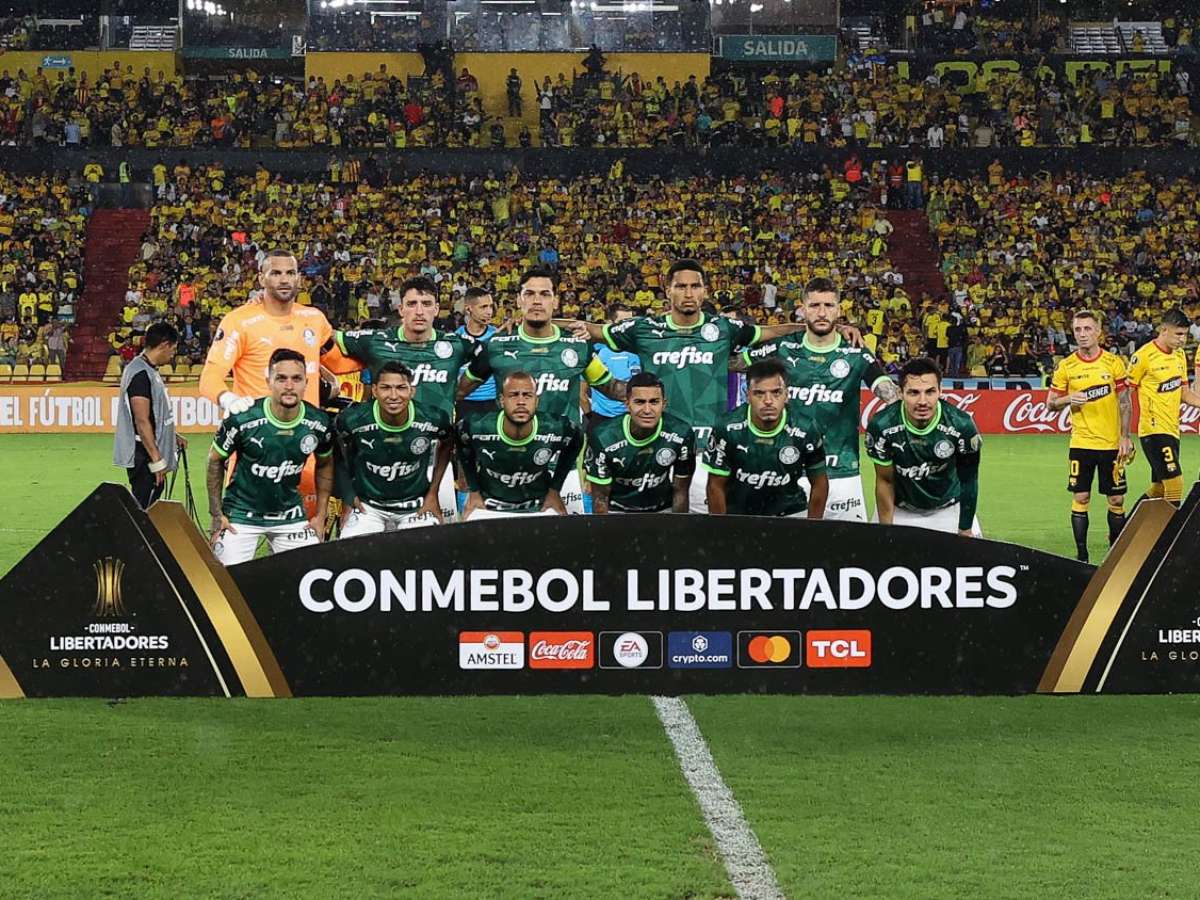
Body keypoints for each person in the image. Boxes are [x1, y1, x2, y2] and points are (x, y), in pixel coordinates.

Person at [564, 259, 821, 513]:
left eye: (695, 286)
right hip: (665, 454)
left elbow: (771, 332)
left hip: (714, 452)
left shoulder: (723, 328)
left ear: (705, 290)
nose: (689, 293)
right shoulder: (644, 329)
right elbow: (589, 330)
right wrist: (533, 326)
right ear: (668, 291)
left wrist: (829, 329)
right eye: (681, 286)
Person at [458, 267, 626, 514]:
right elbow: (459, 391)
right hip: (504, 468)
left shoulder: (577, 347)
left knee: (563, 548)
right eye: (529, 294)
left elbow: (612, 389)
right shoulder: (497, 346)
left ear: (555, 300)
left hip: (561, 468)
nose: (537, 300)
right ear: (518, 300)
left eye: (545, 294)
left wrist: (657, 386)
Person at [744, 277, 898, 521]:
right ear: (802, 308)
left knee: (848, 557)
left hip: (842, 474)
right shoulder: (782, 347)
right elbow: (730, 362)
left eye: (829, 305)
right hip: (789, 471)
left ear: (839, 309)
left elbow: (888, 391)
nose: (822, 312)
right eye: (814, 306)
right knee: (787, 555)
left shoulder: (855, 351)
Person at [199, 249, 338, 513]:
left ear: (299, 278)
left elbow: (339, 360)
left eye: (290, 273)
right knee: (238, 533)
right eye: (276, 273)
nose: (284, 279)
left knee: (304, 537)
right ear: (261, 278)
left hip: (305, 440)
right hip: (255, 442)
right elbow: (210, 377)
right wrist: (228, 398)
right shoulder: (240, 321)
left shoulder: (313, 319)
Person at [207, 349, 335, 566]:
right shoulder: (243, 419)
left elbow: (325, 463)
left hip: (290, 515)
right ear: (268, 381)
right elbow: (214, 460)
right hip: (241, 515)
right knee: (226, 584)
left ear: (306, 382)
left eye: (296, 379)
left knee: (311, 577)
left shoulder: (319, 422)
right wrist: (216, 513)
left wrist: (321, 514)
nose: (289, 386)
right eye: (281, 378)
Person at [1046, 310, 1134, 562]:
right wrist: (1067, 399)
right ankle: (1082, 556)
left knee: (1116, 498)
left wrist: (1125, 437)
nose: (1082, 334)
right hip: (1082, 442)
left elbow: (1125, 402)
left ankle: (1115, 554)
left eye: (1087, 329)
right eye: (1078, 330)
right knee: (1081, 496)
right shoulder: (1066, 366)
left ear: (1098, 332)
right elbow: (1050, 404)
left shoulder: (1114, 363)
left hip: (1110, 443)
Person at [867, 357, 982, 536]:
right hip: (900, 510)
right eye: (913, 392)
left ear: (940, 391)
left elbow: (969, 481)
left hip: (950, 509)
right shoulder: (882, 425)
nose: (922, 401)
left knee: (972, 560)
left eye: (930, 392)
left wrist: (965, 528)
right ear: (900, 393)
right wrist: (886, 531)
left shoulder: (962, 425)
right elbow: (885, 480)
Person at [335, 362, 452, 537]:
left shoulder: (433, 418)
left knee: (427, 552)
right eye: (386, 388)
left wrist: (433, 493)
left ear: (411, 391)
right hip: (368, 506)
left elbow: (448, 442)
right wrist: (348, 495)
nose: (393, 395)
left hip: (415, 505)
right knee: (351, 553)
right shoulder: (353, 419)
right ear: (374, 391)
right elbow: (334, 451)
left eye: (401, 388)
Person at [703, 358, 828, 519]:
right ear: (747, 395)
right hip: (739, 516)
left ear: (787, 395)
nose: (768, 401)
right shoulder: (726, 428)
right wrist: (721, 528)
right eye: (759, 393)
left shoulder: (806, 429)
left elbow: (819, 483)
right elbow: (715, 485)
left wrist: (812, 527)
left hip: (791, 514)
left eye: (776, 392)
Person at [456, 371, 582, 521]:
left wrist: (555, 489)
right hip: (489, 506)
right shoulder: (476, 426)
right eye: (514, 395)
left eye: (527, 395)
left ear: (536, 401)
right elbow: (461, 444)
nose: (521, 402)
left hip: (538, 506)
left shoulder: (557, 427)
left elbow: (576, 442)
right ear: (502, 400)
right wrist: (474, 490)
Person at [585, 372, 695, 514]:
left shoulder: (681, 433)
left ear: (664, 404)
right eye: (640, 402)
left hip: (663, 510)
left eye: (654, 402)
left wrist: (678, 531)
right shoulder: (603, 437)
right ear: (627, 404)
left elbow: (681, 492)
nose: (647, 410)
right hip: (618, 512)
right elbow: (600, 498)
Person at [1129, 308, 1200, 507]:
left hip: (1172, 430)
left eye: (1185, 335)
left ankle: (1124, 532)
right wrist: (1122, 435)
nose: (1182, 340)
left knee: (1158, 489)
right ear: (1164, 330)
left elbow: (1184, 393)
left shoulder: (1179, 357)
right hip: (1153, 430)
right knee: (1175, 484)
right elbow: (1125, 396)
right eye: (1178, 334)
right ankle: (1171, 538)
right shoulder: (1144, 356)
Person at [113, 321, 186, 509]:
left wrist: (172, 435)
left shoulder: (148, 370)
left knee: (150, 502)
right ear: (164, 345)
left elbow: (153, 414)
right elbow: (141, 420)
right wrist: (156, 459)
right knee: (144, 506)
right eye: (173, 349)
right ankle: (133, 539)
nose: (173, 355)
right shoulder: (140, 374)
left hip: (147, 450)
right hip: (144, 454)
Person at [589, 302, 641, 430]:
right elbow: (582, 392)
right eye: (622, 323)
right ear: (609, 324)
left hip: (633, 418)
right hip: (603, 419)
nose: (627, 328)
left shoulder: (640, 350)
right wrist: (590, 418)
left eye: (630, 322)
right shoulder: (596, 353)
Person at [454, 287, 498, 421]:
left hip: (492, 402)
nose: (489, 312)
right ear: (468, 309)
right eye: (483, 307)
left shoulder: (498, 336)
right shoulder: (456, 338)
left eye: (490, 306)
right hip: (465, 402)